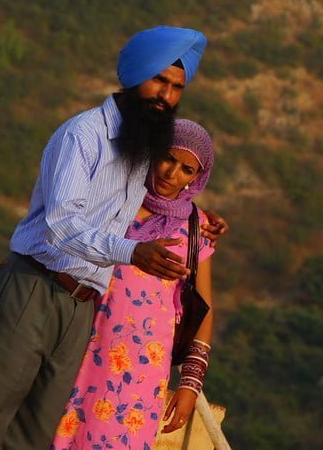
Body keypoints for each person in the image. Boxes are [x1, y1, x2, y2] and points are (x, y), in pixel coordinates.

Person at [0, 26, 228, 450]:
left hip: (82, 309)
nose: (164, 96)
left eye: (175, 87)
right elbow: (61, 226)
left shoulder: (141, 152)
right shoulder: (84, 135)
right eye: (158, 80)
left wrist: (200, 219)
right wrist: (132, 252)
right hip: (35, 288)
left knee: (32, 437)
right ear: (134, 77)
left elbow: (168, 193)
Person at [51, 119, 217, 449]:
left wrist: (190, 382)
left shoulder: (197, 228)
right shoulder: (115, 202)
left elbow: (204, 308)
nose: (172, 174)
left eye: (187, 169)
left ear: (196, 179)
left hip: (143, 369)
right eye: (168, 158)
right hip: (81, 347)